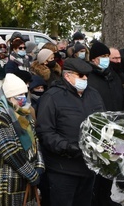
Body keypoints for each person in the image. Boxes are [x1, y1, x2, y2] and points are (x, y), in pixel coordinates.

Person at [36, 58, 105, 206]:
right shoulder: (52, 97)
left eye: (87, 75)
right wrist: (68, 147)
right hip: (63, 169)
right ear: (67, 76)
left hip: (88, 167)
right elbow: (45, 132)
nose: (85, 78)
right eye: (81, 76)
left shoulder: (93, 94)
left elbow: (102, 121)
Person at [86, 42, 124, 206]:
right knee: (97, 169)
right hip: (98, 131)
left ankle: (104, 197)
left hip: (116, 128)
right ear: (93, 59)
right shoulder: (89, 78)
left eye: (107, 56)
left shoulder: (114, 76)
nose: (106, 60)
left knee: (110, 166)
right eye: (102, 57)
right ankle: (93, 199)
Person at [0, 73, 44, 206]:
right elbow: (10, 152)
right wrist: (32, 175)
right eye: (17, 96)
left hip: (26, 180)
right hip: (8, 183)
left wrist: (40, 166)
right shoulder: (0, 118)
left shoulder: (24, 114)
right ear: (7, 97)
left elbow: (35, 141)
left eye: (24, 95)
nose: (22, 99)